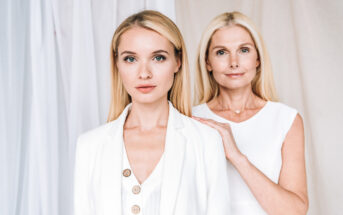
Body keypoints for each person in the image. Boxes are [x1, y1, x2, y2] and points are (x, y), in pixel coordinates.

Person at [74, 10, 230, 215]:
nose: (144, 73)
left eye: (158, 57)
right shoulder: (90, 146)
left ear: (177, 62)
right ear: (117, 65)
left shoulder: (206, 141)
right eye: (131, 59)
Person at [192, 11, 308, 214]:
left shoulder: (286, 120)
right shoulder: (191, 119)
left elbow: (295, 211)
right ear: (207, 62)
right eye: (221, 52)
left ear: (258, 59)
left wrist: (236, 157)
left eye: (244, 50)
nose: (234, 62)